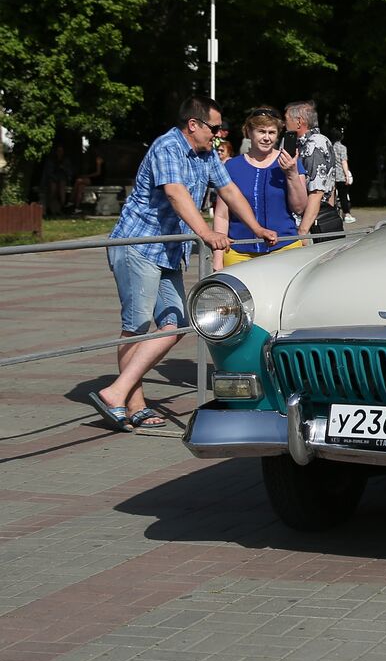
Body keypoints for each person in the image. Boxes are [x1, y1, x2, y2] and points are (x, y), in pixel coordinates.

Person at [88, 97, 276, 432]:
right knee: (137, 325)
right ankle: (129, 401)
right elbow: (176, 194)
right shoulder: (167, 147)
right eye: (214, 128)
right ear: (194, 124)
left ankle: (117, 393)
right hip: (138, 245)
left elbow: (229, 192)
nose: (218, 135)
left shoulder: (206, 154)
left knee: (175, 324)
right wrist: (206, 232)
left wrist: (257, 227)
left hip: (168, 252)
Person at [212, 107, 308, 270]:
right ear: (249, 132)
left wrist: (291, 173)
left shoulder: (290, 162)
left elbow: (300, 208)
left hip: (284, 248)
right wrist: (217, 259)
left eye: (271, 132)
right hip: (239, 252)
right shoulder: (232, 166)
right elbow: (222, 215)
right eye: (261, 131)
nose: (266, 138)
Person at [283, 100, 342, 241]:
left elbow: (316, 193)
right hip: (313, 221)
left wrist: (302, 233)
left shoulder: (314, 145)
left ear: (299, 122)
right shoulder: (305, 143)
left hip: (310, 225)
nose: (283, 124)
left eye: (286, 120)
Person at [39, 143, 74, 216]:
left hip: (62, 179)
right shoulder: (51, 160)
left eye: (61, 151)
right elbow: (49, 172)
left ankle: (61, 207)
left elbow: (69, 172)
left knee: (61, 188)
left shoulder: (66, 160)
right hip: (52, 178)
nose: (60, 152)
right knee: (53, 188)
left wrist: (63, 168)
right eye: (58, 151)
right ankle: (51, 208)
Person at [329, 127, 355, 223]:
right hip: (340, 176)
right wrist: (347, 175)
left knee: (331, 196)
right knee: (343, 196)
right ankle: (346, 214)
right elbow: (344, 162)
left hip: (331, 175)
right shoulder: (342, 148)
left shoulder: (329, 147)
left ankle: (331, 214)